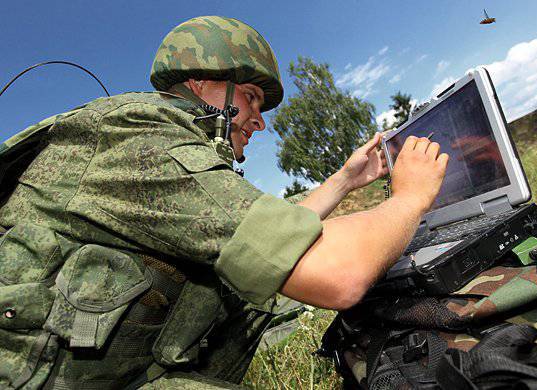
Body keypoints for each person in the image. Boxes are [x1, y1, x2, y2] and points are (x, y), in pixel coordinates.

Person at [0, 16, 448, 389]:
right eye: (251, 98)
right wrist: (411, 198)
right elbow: (336, 276)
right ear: (199, 83)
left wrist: (344, 181)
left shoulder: (145, 138)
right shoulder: (142, 138)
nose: (259, 121)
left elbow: (268, 243)